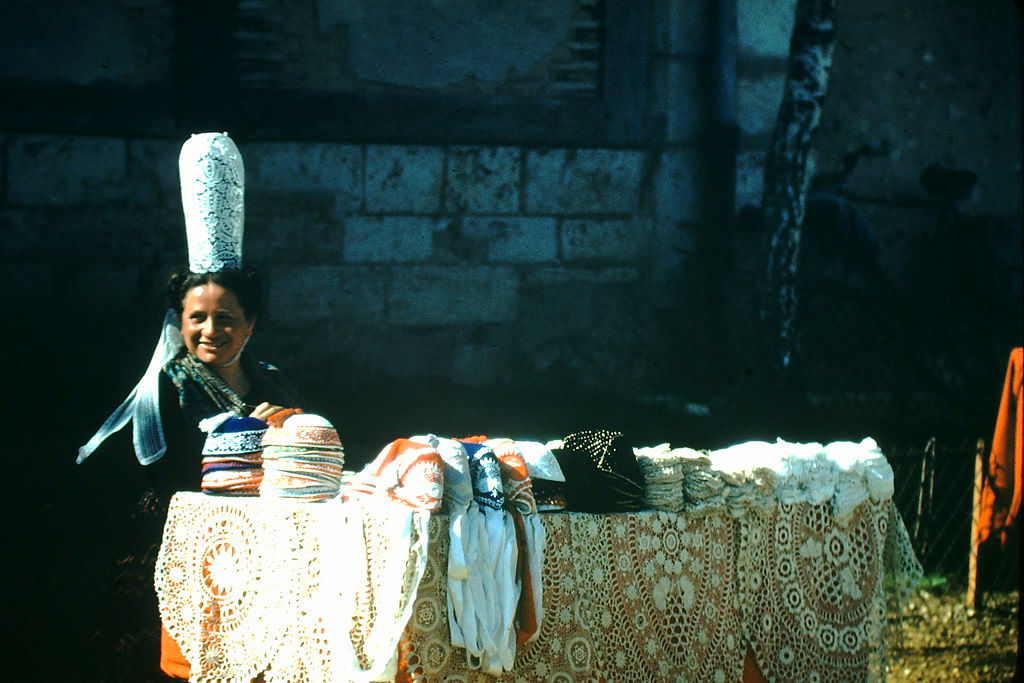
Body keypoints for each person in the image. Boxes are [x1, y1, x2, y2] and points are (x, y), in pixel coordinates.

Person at [76, 132, 302, 681]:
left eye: (227, 318)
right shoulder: (168, 388)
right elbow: (167, 477)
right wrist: (254, 437)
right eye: (196, 317)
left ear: (250, 324)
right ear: (179, 321)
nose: (210, 331)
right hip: (176, 559)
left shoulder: (273, 382)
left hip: (260, 557)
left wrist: (289, 429)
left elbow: (312, 449)